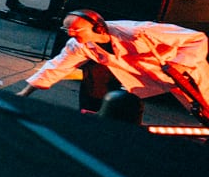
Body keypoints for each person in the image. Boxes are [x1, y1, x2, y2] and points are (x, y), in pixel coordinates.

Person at [16, 10, 208, 116]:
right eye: (68, 31)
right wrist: (25, 93)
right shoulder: (80, 44)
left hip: (185, 73)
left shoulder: (138, 31)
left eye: (76, 30)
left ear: (98, 27)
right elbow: (57, 66)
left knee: (205, 111)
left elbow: (196, 38)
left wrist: (179, 63)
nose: (71, 34)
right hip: (148, 77)